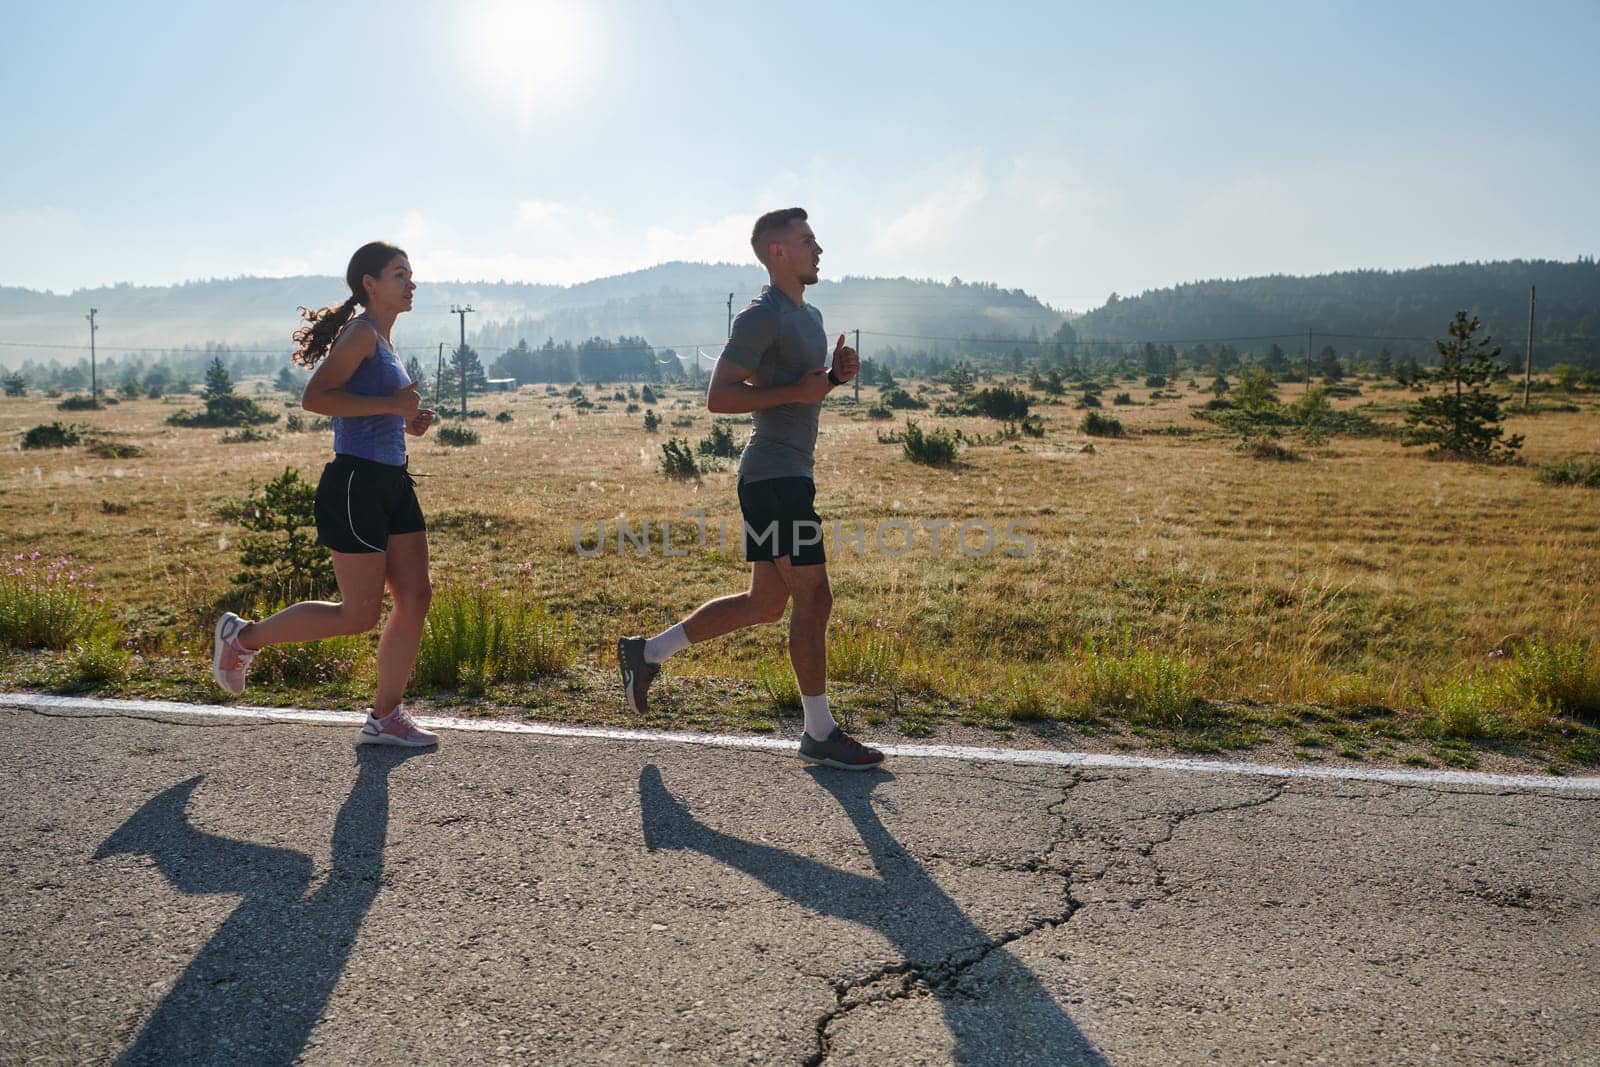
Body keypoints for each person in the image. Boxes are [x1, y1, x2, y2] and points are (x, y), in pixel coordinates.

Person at [618, 208, 884, 771]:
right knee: (815, 597)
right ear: (777, 253)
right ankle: (820, 732)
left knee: (766, 603)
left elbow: (802, 391)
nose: (819, 248)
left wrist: (832, 379)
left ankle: (646, 653)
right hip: (773, 477)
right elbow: (720, 396)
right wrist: (800, 390)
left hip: (789, 473)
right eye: (807, 240)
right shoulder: (759, 318)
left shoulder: (809, 316)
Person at [210, 241, 439, 748]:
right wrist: (391, 404)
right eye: (400, 274)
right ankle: (241, 638)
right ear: (370, 285)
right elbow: (316, 399)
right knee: (357, 614)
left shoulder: (384, 341)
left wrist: (407, 421)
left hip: (393, 481)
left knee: (417, 596)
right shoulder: (360, 335)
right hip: (356, 482)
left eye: (411, 274)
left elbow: (375, 411)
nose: (411, 283)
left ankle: (385, 717)